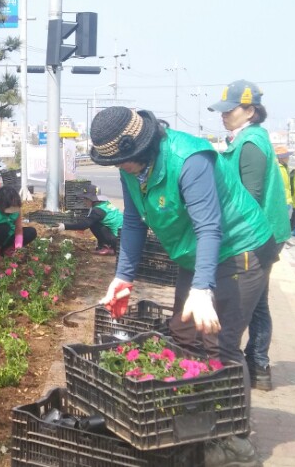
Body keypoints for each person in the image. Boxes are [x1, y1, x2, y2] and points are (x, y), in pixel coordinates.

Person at [90, 106, 273, 467]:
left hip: (239, 250)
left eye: (124, 161)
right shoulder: (133, 170)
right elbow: (132, 221)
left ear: (142, 148)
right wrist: (123, 277)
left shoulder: (189, 158)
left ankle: (235, 442)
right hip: (196, 254)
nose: (121, 168)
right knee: (184, 336)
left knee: (219, 345)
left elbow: (209, 226)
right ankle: (196, 421)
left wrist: (202, 289)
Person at [209, 80, 292, 392]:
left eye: (230, 110)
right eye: (223, 110)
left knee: (251, 301)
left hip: (259, 234)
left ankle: (254, 363)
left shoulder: (251, 144)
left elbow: (250, 199)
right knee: (258, 301)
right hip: (262, 231)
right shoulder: (245, 139)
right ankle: (258, 365)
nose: (224, 115)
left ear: (250, 110)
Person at [58, 184, 122, 256]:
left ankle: (108, 247)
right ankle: (105, 246)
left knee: (94, 224)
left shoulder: (98, 211)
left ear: (91, 199)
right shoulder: (105, 204)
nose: (84, 201)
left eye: (85, 199)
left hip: (118, 242)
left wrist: (64, 226)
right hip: (122, 238)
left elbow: (84, 225)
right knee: (96, 222)